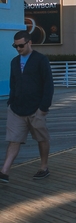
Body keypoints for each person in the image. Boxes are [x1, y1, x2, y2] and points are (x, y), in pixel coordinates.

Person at [1, 30, 54, 182]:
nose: (18, 49)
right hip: (17, 109)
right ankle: (4, 171)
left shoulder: (41, 60)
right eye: (15, 46)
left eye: (21, 46)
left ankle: (44, 167)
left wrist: (43, 108)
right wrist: (11, 102)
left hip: (36, 109)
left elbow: (48, 85)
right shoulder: (14, 62)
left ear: (30, 42)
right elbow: (13, 83)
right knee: (14, 140)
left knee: (42, 138)